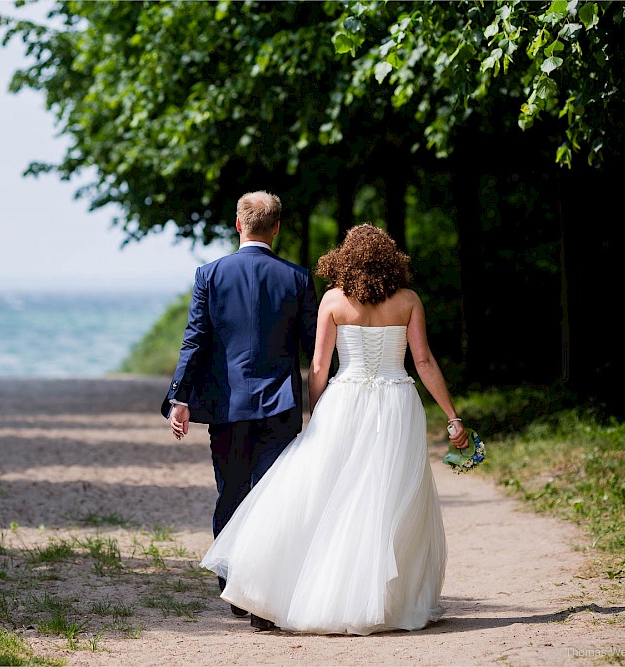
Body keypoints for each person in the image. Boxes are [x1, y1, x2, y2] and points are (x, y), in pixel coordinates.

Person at [199, 223, 469, 635]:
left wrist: (315, 413)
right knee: (389, 500)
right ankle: (385, 602)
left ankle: (316, 592)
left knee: (333, 496)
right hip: (397, 402)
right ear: (390, 258)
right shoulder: (409, 300)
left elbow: (320, 365)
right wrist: (452, 416)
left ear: (344, 258)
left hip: (346, 400)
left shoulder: (332, 300)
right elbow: (425, 362)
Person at [161, 190, 319, 630]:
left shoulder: (210, 275)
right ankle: (262, 597)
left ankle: (234, 580)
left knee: (231, 491)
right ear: (277, 228)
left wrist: (180, 398)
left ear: (238, 225)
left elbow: (195, 342)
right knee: (272, 498)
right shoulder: (298, 278)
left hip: (228, 407)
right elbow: (314, 349)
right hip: (281, 406)